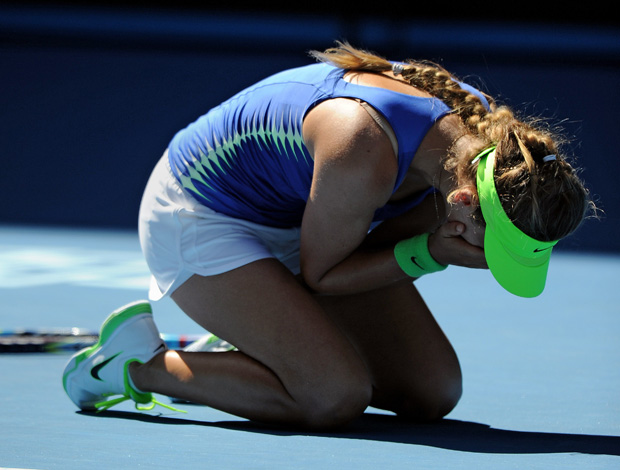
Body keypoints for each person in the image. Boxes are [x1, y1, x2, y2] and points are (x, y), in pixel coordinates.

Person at [62, 42, 591, 429]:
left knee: (431, 392)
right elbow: (322, 276)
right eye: (491, 242)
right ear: (464, 204)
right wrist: (429, 252)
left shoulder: (487, 150)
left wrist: (425, 241)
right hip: (201, 215)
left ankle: (260, 334)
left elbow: (363, 242)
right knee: (330, 396)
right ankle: (134, 365)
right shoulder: (361, 148)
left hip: (313, 216)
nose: (485, 259)